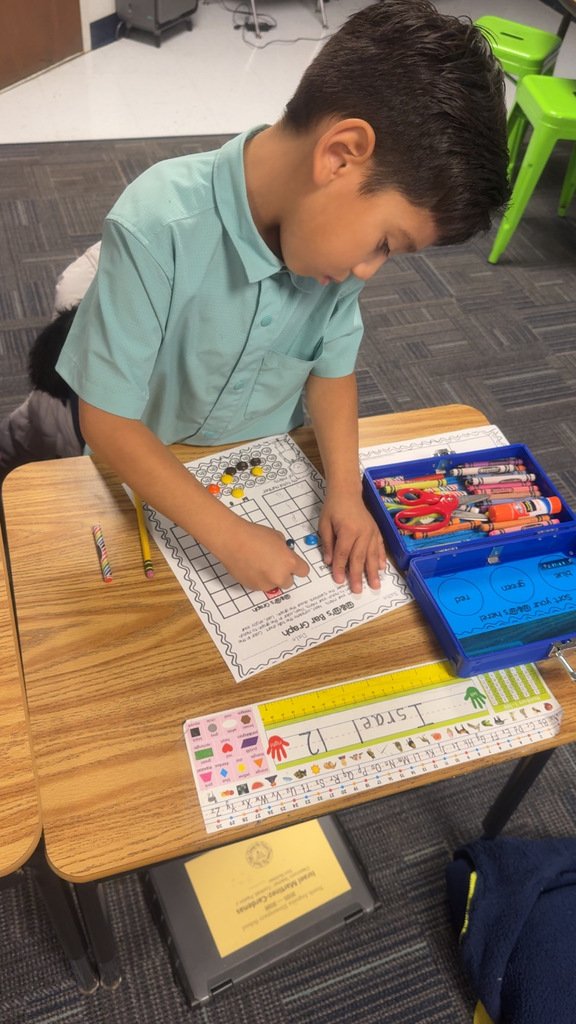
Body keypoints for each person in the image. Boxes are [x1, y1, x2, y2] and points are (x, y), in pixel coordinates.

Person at [28, 2, 513, 593]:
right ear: (340, 154)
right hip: (147, 472)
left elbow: (332, 369)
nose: (369, 269)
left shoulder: (333, 261)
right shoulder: (158, 224)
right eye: (385, 242)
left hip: (254, 468)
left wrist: (343, 491)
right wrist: (227, 536)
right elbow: (105, 419)